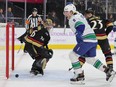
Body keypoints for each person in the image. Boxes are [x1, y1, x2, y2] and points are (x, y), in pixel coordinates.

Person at [63, 4, 116, 84]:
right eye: (64, 12)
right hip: (93, 39)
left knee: (72, 55)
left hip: (87, 40)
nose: (65, 13)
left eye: (66, 12)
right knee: (89, 59)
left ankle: (79, 76)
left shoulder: (74, 18)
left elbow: (81, 26)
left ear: (71, 12)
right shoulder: (78, 15)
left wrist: (79, 34)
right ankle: (108, 71)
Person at [78, 9, 115, 78]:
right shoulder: (102, 18)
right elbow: (110, 26)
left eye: (86, 14)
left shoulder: (86, 20)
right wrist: (106, 34)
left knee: (85, 54)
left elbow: (82, 29)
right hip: (103, 38)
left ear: (89, 14)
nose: (85, 16)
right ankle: (110, 69)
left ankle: (78, 69)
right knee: (108, 54)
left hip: (92, 38)